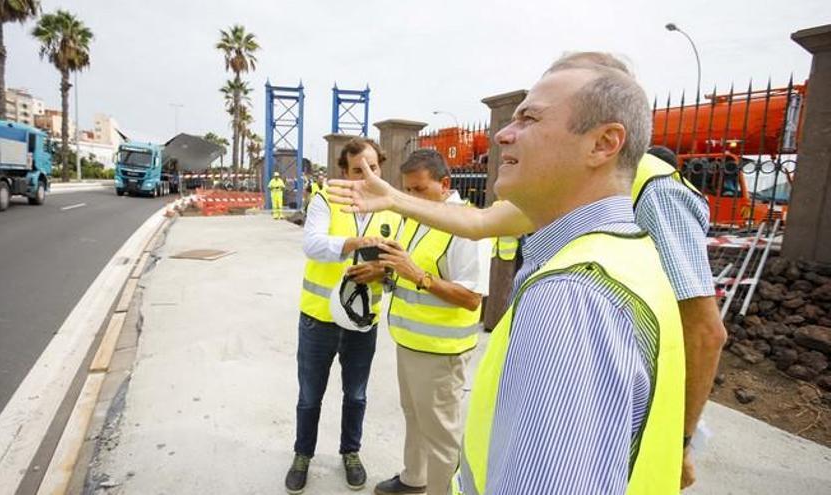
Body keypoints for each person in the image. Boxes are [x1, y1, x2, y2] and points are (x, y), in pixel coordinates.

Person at [330, 53, 726, 490]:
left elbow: (705, 329)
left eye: (531, 118)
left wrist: (683, 442)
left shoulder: (577, 291)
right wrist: (392, 198)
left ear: (604, 143)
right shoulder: (595, 229)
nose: (502, 134)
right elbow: (480, 223)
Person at [285, 137, 403, 494]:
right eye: (357, 170)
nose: (366, 176)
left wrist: (382, 272)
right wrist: (354, 242)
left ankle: (350, 452)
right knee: (310, 396)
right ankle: (302, 455)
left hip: (362, 323)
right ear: (343, 172)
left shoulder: (392, 207)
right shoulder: (325, 199)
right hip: (318, 320)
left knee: (356, 395)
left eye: (373, 167)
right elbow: (313, 244)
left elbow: (402, 262)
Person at [373, 150, 491, 495]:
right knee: (413, 415)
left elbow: (472, 298)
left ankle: (443, 490)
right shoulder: (420, 217)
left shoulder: (467, 227)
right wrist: (383, 272)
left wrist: (419, 276)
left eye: (418, 190)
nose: (411, 199)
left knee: (440, 433)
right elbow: (409, 273)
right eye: (406, 191)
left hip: (441, 351)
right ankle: (414, 479)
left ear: (444, 184)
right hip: (409, 341)